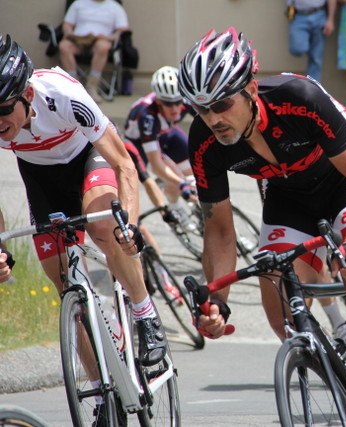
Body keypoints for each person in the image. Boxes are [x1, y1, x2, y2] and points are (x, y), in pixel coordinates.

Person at [178, 27, 346, 426]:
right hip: (288, 194)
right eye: (201, 109)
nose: (213, 118)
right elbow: (219, 231)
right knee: (279, 303)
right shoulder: (204, 142)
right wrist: (218, 300)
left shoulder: (298, 99)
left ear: (250, 88)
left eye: (222, 103)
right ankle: (344, 370)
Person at [0, 34, 167, 422]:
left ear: (27, 94)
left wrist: (130, 223)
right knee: (66, 289)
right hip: (42, 178)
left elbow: (125, 164)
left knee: (105, 224)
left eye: (4, 109)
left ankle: (145, 314)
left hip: (88, 159)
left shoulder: (62, 94)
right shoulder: (5, 122)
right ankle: (102, 397)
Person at [123, 66, 198, 212]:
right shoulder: (147, 116)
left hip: (165, 133)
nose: (175, 108)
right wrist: (182, 184)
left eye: (177, 102)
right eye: (168, 104)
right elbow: (157, 165)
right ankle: (176, 209)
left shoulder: (185, 100)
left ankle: (197, 208)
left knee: (194, 169)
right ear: (158, 100)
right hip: (140, 143)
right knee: (175, 176)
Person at [58, 0, 129, 104]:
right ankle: (73, 85)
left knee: (103, 46)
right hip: (79, 40)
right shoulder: (78, 3)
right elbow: (67, 24)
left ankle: (92, 87)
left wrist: (109, 37)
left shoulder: (115, 7)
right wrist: (70, 34)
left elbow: (123, 30)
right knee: (64, 46)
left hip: (100, 40)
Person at [286, 0, 337, 82]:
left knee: (316, 58)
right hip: (298, 14)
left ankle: (312, 87)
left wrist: (330, 20)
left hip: (319, 13)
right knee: (298, 48)